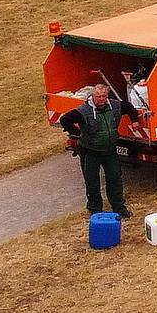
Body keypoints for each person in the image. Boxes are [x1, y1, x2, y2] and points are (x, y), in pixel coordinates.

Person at [56, 83, 128, 219]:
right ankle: (95, 209)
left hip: (110, 151)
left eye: (103, 96)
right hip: (91, 152)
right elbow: (65, 120)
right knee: (92, 181)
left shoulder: (115, 106)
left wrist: (135, 120)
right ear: (92, 96)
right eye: (98, 96)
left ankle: (119, 207)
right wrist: (77, 133)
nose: (101, 99)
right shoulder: (84, 110)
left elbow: (129, 108)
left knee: (115, 179)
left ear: (107, 96)